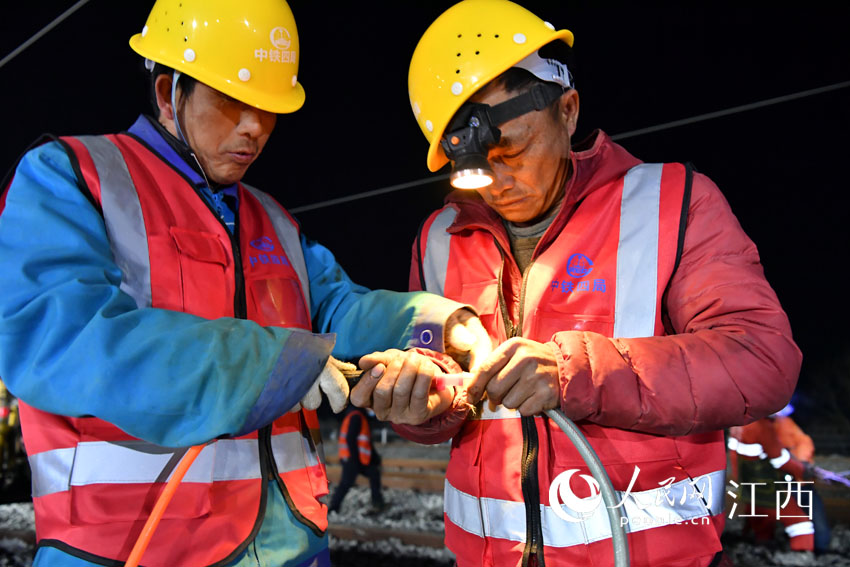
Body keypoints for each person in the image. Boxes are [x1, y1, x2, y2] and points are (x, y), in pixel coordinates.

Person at [0, 1, 489, 566]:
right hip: (134, 549)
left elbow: (337, 309)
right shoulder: (71, 178)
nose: (255, 128)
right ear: (167, 93)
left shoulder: (273, 219)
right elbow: (60, 337)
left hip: (294, 547)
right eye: (232, 101)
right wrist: (272, 366)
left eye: (268, 109)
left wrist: (438, 322)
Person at [349, 1, 803, 566]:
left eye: (510, 150)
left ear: (567, 111)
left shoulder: (671, 204)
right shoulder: (440, 235)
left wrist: (575, 374)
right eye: (471, 167)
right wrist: (422, 403)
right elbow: (449, 385)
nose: (494, 183)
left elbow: (762, 360)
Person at [728, 403, 836, 555]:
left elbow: (801, 444)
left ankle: (761, 552)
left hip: (758, 488)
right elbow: (780, 458)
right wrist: (803, 469)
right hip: (779, 485)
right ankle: (807, 555)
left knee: (761, 529)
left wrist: (740, 482)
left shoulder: (738, 427)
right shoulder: (763, 426)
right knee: (801, 525)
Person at [328, 405, 386, 515]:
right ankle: (333, 508)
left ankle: (377, 503)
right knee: (346, 483)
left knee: (374, 473)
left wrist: (375, 458)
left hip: (357, 459)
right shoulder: (356, 417)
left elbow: (365, 441)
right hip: (353, 460)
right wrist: (354, 460)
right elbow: (350, 439)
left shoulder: (358, 416)